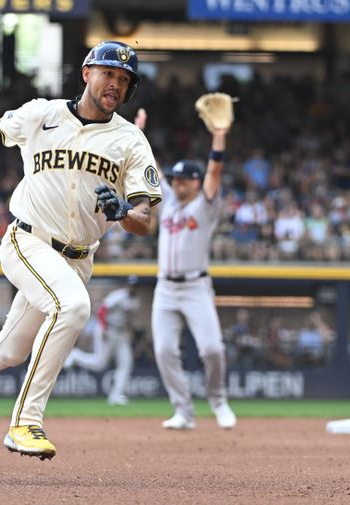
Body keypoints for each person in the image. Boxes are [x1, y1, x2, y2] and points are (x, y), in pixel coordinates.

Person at [0, 41, 160, 460]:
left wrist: (125, 212)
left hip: (77, 260)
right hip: (28, 240)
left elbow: (145, 221)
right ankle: (25, 422)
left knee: (11, 350)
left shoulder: (131, 141)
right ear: (86, 73)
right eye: (109, 73)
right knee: (73, 308)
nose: (116, 83)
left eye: (125, 79)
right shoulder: (43, 113)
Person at [148, 107, 237, 430]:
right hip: (165, 288)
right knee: (163, 350)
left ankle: (218, 400)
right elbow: (152, 169)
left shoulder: (205, 205)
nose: (176, 182)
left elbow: (215, 172)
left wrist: (218, 136)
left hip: (196, 287)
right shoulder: (170, 202)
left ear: (196, 183)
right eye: (175, 178)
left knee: (212, 348)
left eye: (183, 179)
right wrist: (139, 133)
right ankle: (183, 411)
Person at [65, 275, 140, 406]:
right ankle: (76, 355)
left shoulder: (135, 301)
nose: (132, 287)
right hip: (106, 330)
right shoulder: (118, 296)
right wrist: (104, 329)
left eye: (135, 286)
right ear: (127, 285)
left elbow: (129, 319)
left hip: (120, 334)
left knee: (126, 363)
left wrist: (129, 332)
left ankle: (116, 395)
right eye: (131, 285)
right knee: (99, 364)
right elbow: (102, 310)